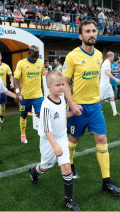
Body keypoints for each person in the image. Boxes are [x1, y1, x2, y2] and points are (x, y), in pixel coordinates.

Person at [62, 19, 120, 195]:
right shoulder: (72, 56)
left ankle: (107, 182)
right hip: (77, 108)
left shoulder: (98, 55)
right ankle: (71, 165)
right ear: (81, 35)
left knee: (102, 140)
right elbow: (65, 82)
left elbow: (95, 79)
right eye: (87, 31)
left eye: (94, 31)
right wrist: (72, 104)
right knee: (73, 140)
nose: (91, 34)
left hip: (95, 106)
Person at [28, 70, 80, 211]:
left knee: (66, 167)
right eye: (58, 85)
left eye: (63, 84)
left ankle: (68, 200)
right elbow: (47, 129)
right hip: (49, 140)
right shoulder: (46, 105)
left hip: (62, 137)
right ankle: (33, 172)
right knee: (46, 167)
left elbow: (61, 116)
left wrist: (73, 112)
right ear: (49, 86)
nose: (62, 87)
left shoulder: (62, 99)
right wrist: (55, 146)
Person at [14, 45, 44, 144]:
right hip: (25, 96)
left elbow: (41, 78)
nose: (35, 58)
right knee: (23, 115)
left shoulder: (40, 63)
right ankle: (23, 134)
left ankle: (45, 133)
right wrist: (17, 91)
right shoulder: (21, 63)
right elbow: (15, 78)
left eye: (37, 56)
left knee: (42, 114)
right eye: (33, 56)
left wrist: (43, 92)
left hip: (38, 95)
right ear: (29, 53)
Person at [0, 50, 14, 126]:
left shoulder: (6, 66)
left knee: (2, 104)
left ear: (1, 57)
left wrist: (11, 82)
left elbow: (10, 76)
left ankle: (1, 115)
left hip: (3, 89)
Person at [100, 51, 120, 116]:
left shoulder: (108, 63)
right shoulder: (106, 62)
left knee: (112, 97)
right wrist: (115, 79)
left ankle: (115, 112)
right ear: (110, 56)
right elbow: (107, 72)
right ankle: (97, 111)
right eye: (113, 56)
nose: (113, 57)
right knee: (100, 99)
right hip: (104, 84)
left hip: (107, 83)